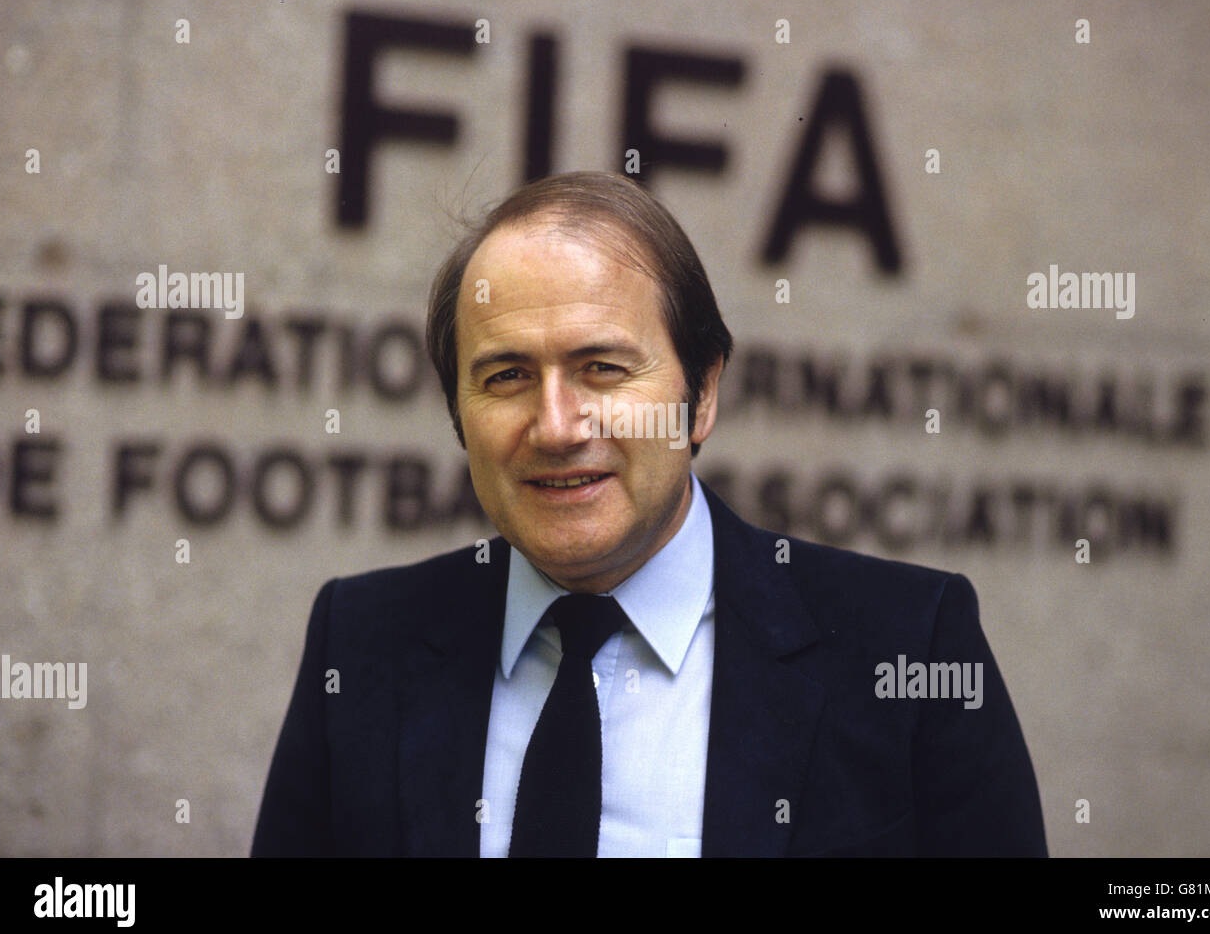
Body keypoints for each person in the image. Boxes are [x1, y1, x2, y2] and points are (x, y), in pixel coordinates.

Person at [252, 171, 1047, 857]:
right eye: (505, 377)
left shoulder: (908, 643)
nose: (557, 426)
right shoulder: (361, 641)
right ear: (458, 413)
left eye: (601, 369)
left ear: (701, 395)